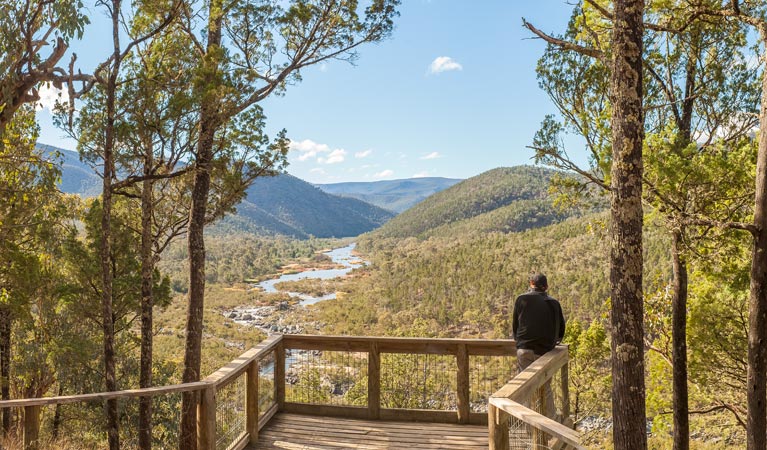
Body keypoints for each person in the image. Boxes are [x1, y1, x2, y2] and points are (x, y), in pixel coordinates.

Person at [512, 273, 566, 420]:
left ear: (531, 284)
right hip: (544, 351)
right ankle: (550, 423)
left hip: (524, 350)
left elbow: (515, 326)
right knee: (545, 387)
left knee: (528, 387)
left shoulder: (521, 299)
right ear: (546, 287)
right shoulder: (553, 303)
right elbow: (561, 329)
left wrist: (520, 342)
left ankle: (530, 424)